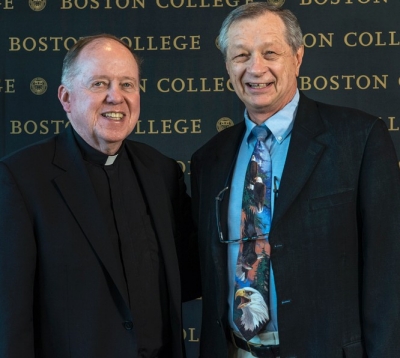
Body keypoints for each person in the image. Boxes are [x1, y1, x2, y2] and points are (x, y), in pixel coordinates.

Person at [190, 3, 400, 358]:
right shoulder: (208, 159)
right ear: (228, 66)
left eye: (270, 52)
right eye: (241, 55)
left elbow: (389, 273)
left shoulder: (359, 139)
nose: (256, 68)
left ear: (297, 57)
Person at [0, 34, 200, 358]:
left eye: (127, 84)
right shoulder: (22, 179)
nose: (115, 97)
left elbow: (191, 278)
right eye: (99, 84)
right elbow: (11, 318)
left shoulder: (162, 172)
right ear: (66, 98)